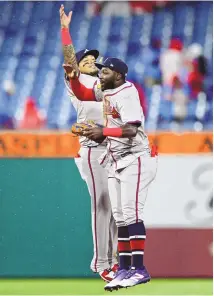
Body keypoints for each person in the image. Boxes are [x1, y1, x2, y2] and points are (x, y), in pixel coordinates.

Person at [65, 56, 158, 291]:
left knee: (131, 213)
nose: (100, 75)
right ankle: (124, 269)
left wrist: (102, 131)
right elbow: (84, 94)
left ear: (118, 75)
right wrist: (74, 78)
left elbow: (131, 129)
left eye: (104, 72)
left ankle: (139, 269)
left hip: (135, 157)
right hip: (116, 161)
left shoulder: (127, 92)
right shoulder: (106, 90)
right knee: (120, 216)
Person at [60, 5, 118, 282]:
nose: (91, 62)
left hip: (114, 150)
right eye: (87, 60)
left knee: (118, 207)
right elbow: (70, 60)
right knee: (102, 205)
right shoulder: (77, 81)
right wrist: (64, 31)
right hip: (93, 151)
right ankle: (101, 262)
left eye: (94, 60)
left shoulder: (102, 86)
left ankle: (118, 260)